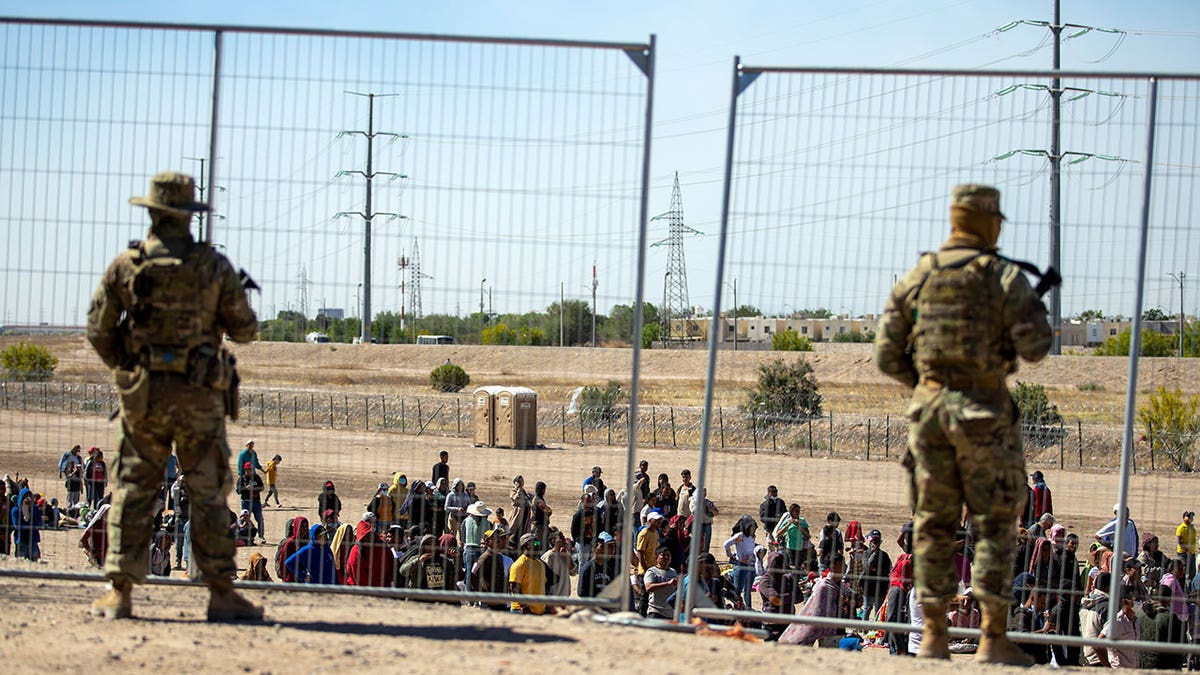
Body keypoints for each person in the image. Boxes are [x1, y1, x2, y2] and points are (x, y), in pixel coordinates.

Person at [873, 184, 1052, 663]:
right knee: (994, 523)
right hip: (984, 415)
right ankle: (992, 639)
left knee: (933, 523)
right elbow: (1037, 345)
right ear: (988, 223)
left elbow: (886, 354)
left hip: (929, 418)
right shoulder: (1001, 276)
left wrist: (927, 385)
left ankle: (932, 635)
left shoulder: (919, 275)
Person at [85, 172, 261, 622]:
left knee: (134, 489)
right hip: (200, 398)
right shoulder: (213, 266)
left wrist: (129, 367)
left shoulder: (128, 265)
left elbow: (98, 329)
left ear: (152, 212)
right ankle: (220, 591)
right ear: (189, 216)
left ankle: (119, 592)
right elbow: (244, 330)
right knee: (207, 492)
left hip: (144, 397)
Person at [346, 513, 394, 587]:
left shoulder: (381, 545)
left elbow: (390, 563)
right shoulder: (356, 550)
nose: (368, 538)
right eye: (365, 536)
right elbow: (357, 573)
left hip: (383, 588)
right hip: (363, 590)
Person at [723, 515, 758, 609]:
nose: (754, 528)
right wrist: (730, 554)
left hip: (751, 566)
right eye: (752, 526)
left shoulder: (752, 537)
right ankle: (737, 609)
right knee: (737, 591)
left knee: (748, 591)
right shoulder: (740, 536)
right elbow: (726, 544)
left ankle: (748, 609)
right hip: (741, 566)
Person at [509, 533, 548, 614]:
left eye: (538, 543)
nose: (538, 545)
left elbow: (542, 586)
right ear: (525, 546)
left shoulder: (540, 564)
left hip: (539, 611)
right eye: (534, 543)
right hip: (522, 611)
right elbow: (514, 589)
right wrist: (525, 607)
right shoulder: (520, 564)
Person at [578, 531, 618, 598]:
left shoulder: (609, 569)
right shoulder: (587, 568)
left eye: (614, 547)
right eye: (609, 546)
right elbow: (581, 592)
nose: (612, 550)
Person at [643, 546, 678, 620]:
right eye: (663, 555)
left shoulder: (673, 572)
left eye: (668, 555)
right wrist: (667, 583)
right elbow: (648, 588)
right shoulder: (652, 571)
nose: (666, 557)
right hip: (655, 612)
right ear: (656, 557)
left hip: (670, 613)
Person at [235, 462, 265, 544]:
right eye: (248, 469)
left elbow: (262, 487)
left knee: (260, 519)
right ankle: (242, 537)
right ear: (245, 470)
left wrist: (254, 488)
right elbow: (238, 491)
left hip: (256, 502)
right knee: (244, 520)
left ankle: (261, 536)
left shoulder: (257, 477)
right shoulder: (242, 479)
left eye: (251, 469)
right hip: (246, 501)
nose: (250, 471)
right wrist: (246, 488)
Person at [10, 486, 42, 561]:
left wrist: (31, 510)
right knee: (20, 564)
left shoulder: (35, 508)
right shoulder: (16, 510)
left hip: (33, 541)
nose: (27, 499)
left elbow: (38, 523)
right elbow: (17, 526)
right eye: (25, 497)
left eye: (29, 496)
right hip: (21, 541)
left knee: (36, 563)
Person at [1175, 510, 1196, 587]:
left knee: (1192, 573)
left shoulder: (1192, 528)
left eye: (1191, 517)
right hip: (1183, 554)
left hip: (1192, 553)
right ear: (1184, 518)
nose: (1190, 518)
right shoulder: (1181, 528)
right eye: (1188, 516)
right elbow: (1179, 542)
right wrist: (1187, 551)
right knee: (1183, 572)